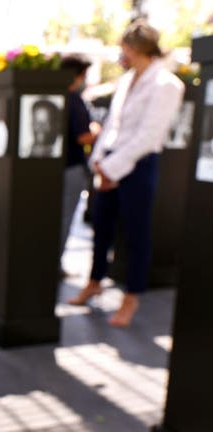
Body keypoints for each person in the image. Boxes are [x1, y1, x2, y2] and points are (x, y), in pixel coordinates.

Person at [68, 19, 184, 327]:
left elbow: (148, 136)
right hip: (110, 164)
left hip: (139, 166)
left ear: (138, 48)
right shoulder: (127, 80)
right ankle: (94, 282)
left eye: (125, 48)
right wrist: (99, 163)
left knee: (136, 233)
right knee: (102, 228)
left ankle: (131, 297)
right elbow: (111, 127)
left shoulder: (167, 84)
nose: (122, 54)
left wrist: (112, 168)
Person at [59, 56, 97, 269]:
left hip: (60, 168)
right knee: (64, 218)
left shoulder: (59, 97)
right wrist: (97, 131)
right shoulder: (74, 99)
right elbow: (83, 136)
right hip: (72, 167)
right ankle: (53, 264)